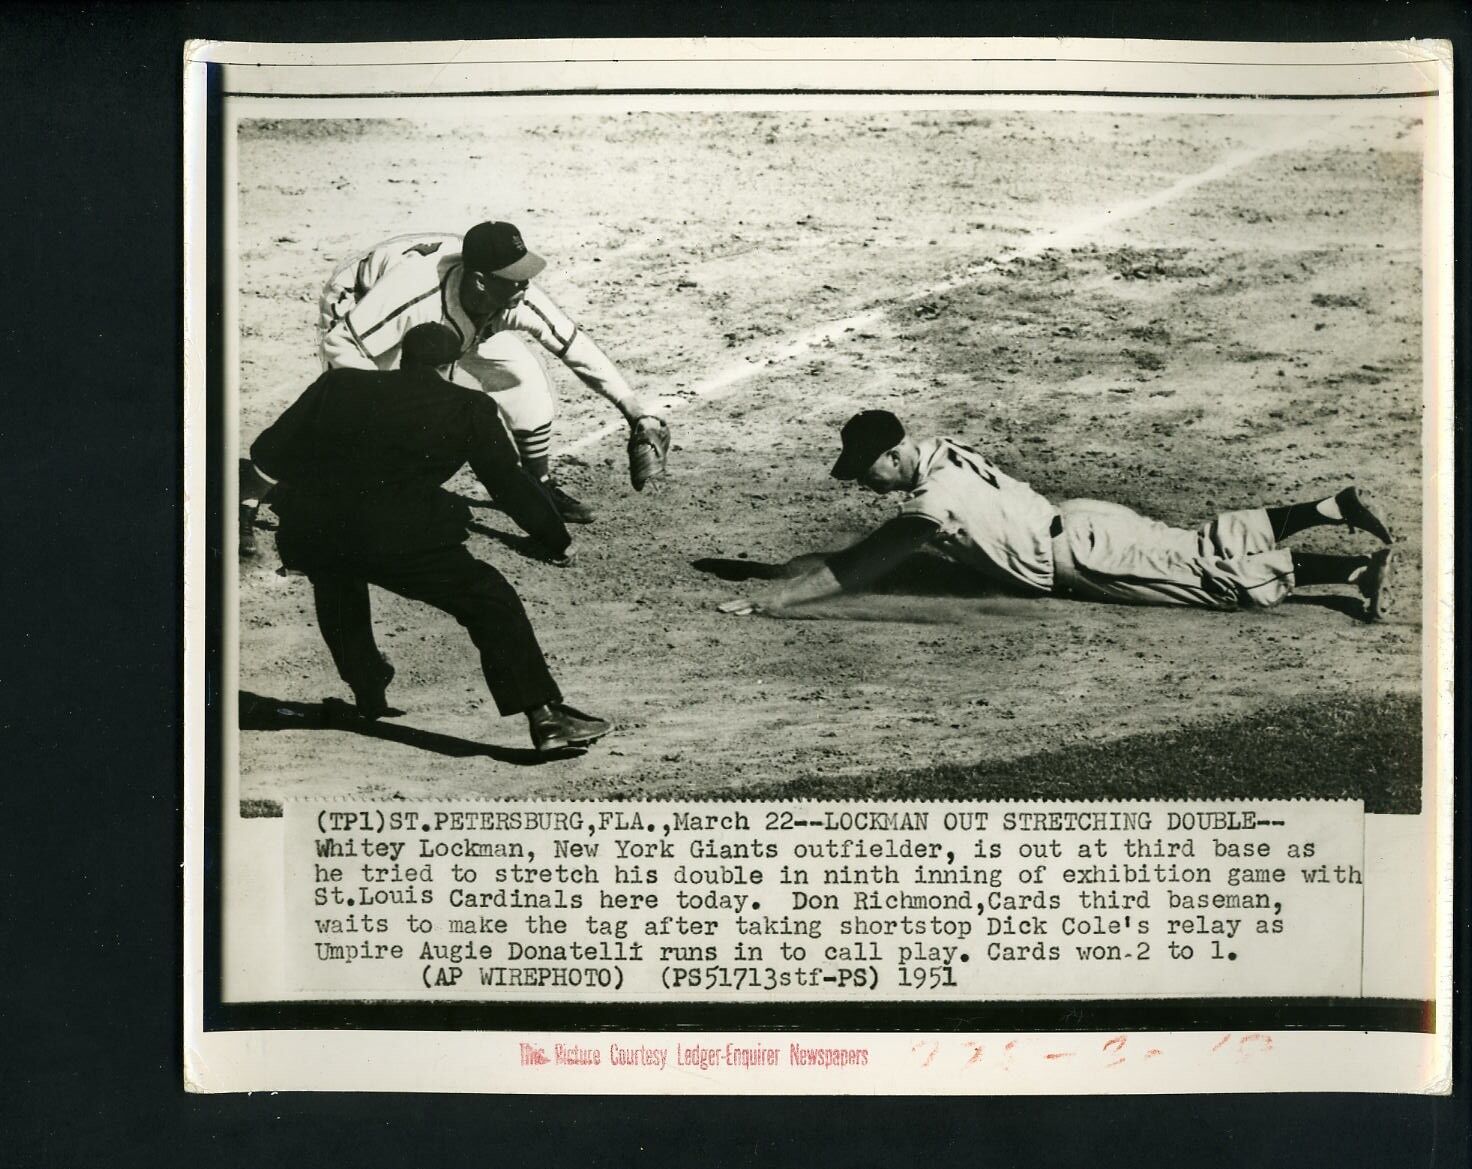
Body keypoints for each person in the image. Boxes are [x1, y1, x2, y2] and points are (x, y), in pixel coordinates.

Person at [250, 322, 613, 756]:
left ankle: (367, 689)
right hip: (400, 540)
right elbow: (507, 482)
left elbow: (268, 452)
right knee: (488, 599)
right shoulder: (468, 406)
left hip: (313, 530)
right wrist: (555, 537)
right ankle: (545, 717)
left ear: (404, 356)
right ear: (452, 365)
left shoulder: (338, 383)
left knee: (337, 585)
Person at [717, 409, 1395, 621]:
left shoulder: (932, 499)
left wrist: (779, 597)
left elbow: (863, 563)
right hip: (1085, 518)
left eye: (866, 472)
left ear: (894, 456)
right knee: (1202, 541)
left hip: (1086, 555)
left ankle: (1351, 568)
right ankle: (1328, 507)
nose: (862, 486)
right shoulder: (939, 451)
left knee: (1218, 581)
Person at [315, 220, 668, 524]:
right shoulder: (411, 295)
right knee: (360, 408)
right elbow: (341, 343)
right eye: (515, 278)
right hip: (364, 301)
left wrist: (634, 412)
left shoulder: (512, 292)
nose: (525, 285)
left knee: (522, 377)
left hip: (459, 311)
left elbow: (574, 346)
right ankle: (302, 502)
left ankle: (538, 485)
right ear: (482, 280)